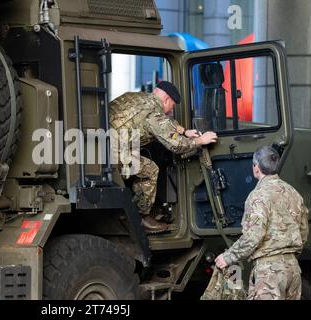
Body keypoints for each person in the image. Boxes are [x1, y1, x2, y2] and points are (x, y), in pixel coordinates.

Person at [109, 81, 218, 234]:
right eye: (172, 107)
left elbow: (164, 123)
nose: (169, 111)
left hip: (96, 144)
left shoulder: (134, 97)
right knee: (151, 170)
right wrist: (200, 140)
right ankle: (140, 217)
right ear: (166, 100)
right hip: (113, 154)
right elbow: (177, 146)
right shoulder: (154, 113)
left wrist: (184, 131)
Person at [215, 146, 309, 300]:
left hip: (269, 274)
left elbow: (253, 236)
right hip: (293, 271)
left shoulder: (257, 196)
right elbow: (303, 231)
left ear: (256, 167)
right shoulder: (293, 193)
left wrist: (228, 257)